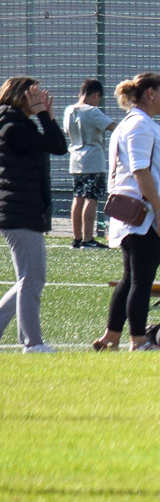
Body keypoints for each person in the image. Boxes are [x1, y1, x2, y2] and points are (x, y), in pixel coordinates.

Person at [95, 73, 160, 352]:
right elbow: (140, 170)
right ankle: (139, 340)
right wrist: (159, 210)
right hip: (143, 217)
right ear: (150, 93)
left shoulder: (133, 124)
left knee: (130, 278)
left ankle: (111, 337)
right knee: (142, 280)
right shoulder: (140, 125)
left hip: (132, 215)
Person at [0, 76, 69, 352]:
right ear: (22, 96)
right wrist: (42, 115)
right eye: (35, 94)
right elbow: (56, 146)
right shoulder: (12, 126)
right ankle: (32, 342)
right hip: (19, 211)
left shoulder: (17, 123)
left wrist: (47, 117)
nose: (41, 98)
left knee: (27, 280)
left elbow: (58, 145)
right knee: (32, 279)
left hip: (23, 210)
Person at [63, 78, 114, 249]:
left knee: (78, 197)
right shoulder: (92, 111)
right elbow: (113, 127)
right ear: (96, 95)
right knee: (91, 198)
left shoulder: (69, 110)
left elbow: (66, 131)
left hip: (75, 159)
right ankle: (88, 238)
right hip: (92, 160)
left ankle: (77, 238)